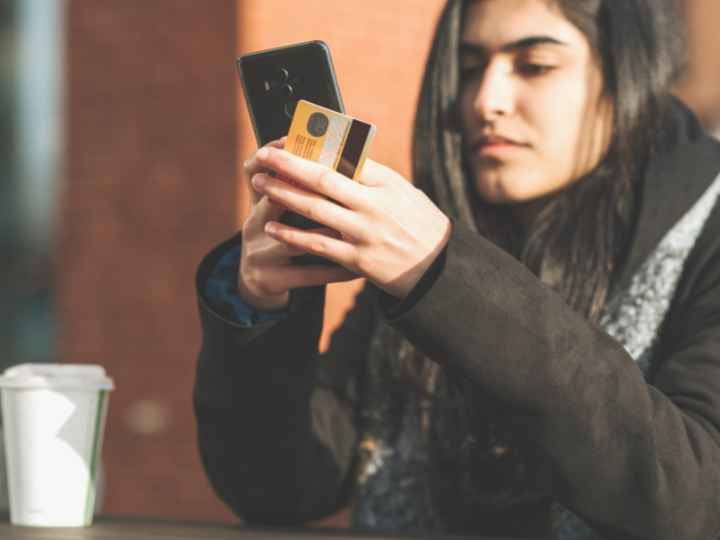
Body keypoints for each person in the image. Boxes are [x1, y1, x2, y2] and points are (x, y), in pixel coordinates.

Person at [193, 0, 720, 538]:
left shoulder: (707, 223)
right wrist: (260, 309)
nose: (486, 101)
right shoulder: (442, 231)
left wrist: (443, 271)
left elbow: (694, 496)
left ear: (625, 72)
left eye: (534, 65)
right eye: (468, 69)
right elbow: (279, 489)